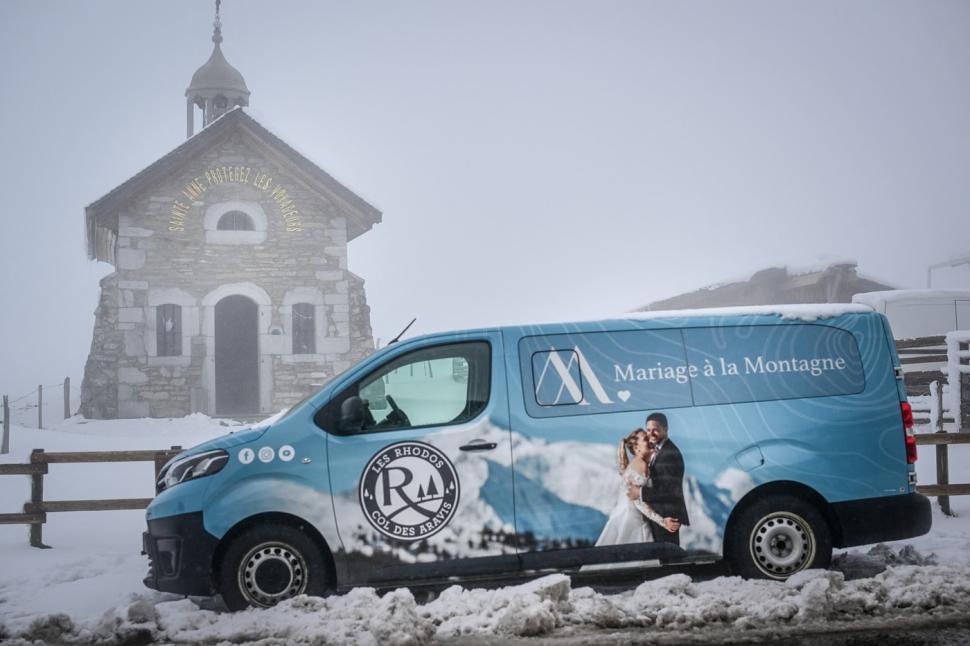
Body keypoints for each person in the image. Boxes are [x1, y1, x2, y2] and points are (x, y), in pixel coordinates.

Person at [592, 429, 667, 548]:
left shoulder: (634, 465)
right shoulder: (641, 465)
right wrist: (663, 522)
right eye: (646, 439)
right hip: (634, 524)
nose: (651, 440)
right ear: (637, 448)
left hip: (622, 519)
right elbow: (638, 502)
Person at [626, 412, 689, 545]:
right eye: (648, 430)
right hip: (659, 516)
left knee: (668, 559)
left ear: (665, 429)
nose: (651, 433)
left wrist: (640, 492)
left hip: (667, 517)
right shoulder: (658, 451)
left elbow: (670, 491)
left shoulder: (669, 454)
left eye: (655, 429)